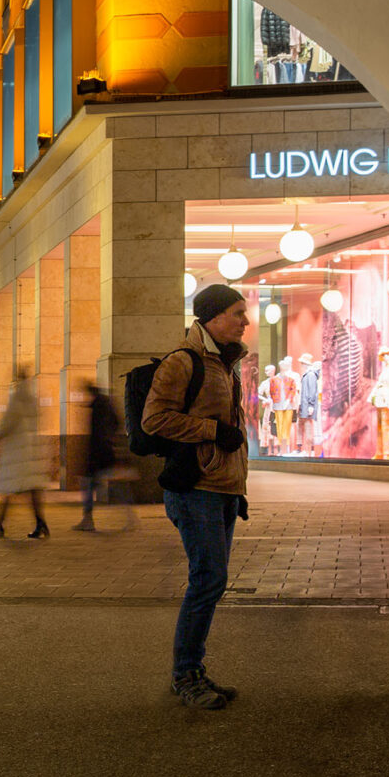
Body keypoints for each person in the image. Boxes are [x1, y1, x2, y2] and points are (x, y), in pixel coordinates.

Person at [142, 283, 252, 711]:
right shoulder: (183, 362)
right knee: (207, 581)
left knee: (212, 581)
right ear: (212, 317)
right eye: (237, 313)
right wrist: (212, 431)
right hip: (196, 490)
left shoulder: (226, 362)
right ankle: (185, 674)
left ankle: (193, 670)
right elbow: (154, 420)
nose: (245, 321)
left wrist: (237, 487)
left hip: (221, 489)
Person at [0, 367, 51, 539]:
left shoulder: (17, 398)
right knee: (31, 490)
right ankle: (41, 523)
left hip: (17, 452)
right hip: (31, 451)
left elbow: (7, 423)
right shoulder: (32, 398)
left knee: (8, 489)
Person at [74, 377, 131, 532]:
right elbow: (117, 423)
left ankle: (88, 520)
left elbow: (96, 434)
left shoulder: (97, 407)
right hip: (106, 452)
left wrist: (88, 455)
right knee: (109, 486)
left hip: (98, 455)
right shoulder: (106, 403)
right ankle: (128, 514)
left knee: (88, 485)